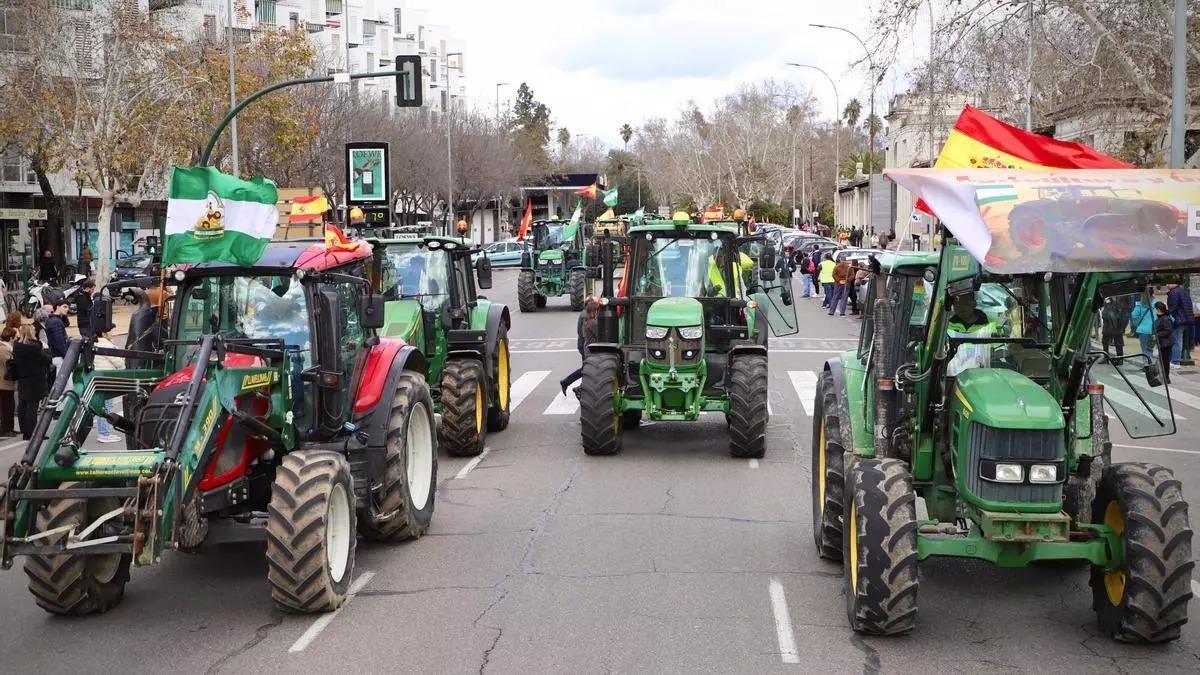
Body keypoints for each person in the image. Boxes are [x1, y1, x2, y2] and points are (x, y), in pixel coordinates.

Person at [10, 325, 50, 440]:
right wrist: (46, 348)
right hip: (35, 379)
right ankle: (33, 432)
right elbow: (46, 359)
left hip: (22, 377)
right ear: (31, 332)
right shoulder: (35, 346)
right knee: (32, 407)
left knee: (23, 405)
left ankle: (25, 431)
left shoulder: (17, 346)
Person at [559, 297, 601, 395]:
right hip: (589, 349)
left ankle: (570, 383)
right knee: (589, 370)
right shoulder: (593, 322)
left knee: (586, 369)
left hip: (587, 347)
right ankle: (578, 387)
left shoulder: (587, 318)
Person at [92, 329, 123, 443]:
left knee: (104, 406)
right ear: (104, 333)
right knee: (106, 407)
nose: (113, 332)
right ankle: (104, 433)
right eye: (110, 331)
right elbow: (118, 362)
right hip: (106, 379)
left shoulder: (96, 343)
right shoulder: (106, 345)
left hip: (99, 378)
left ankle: (105, 432)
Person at [1166, 280, 1193, 367]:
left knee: (1176, 341)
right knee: (1178, 340)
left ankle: (1175, 361)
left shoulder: (1174, 293)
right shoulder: (1182, 291)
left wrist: (1166, 315)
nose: (1166, 284)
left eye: (1168, 282)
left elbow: (1172, 308)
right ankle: (1175, 360)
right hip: (1184, 319)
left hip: (1178, 320)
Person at [1154, 301, 1174, 385]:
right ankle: (1163, 377)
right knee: (1162, 360)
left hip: (1165, 343)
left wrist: (1157, 335)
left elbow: (1167, 331)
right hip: (1162, 342)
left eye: (1155, 309)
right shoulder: (1161, 318)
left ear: (1158, 309)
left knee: (1165, 361)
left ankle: (1166, 378)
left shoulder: (1165, 319)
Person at [0, 327, 14, 437]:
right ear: (11, 337)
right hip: (4, 382)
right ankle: (6, 428)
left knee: (8, 405)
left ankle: (8, 427)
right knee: (7, 406)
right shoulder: (4, 349)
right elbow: (9, 363)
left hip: (5, 382)